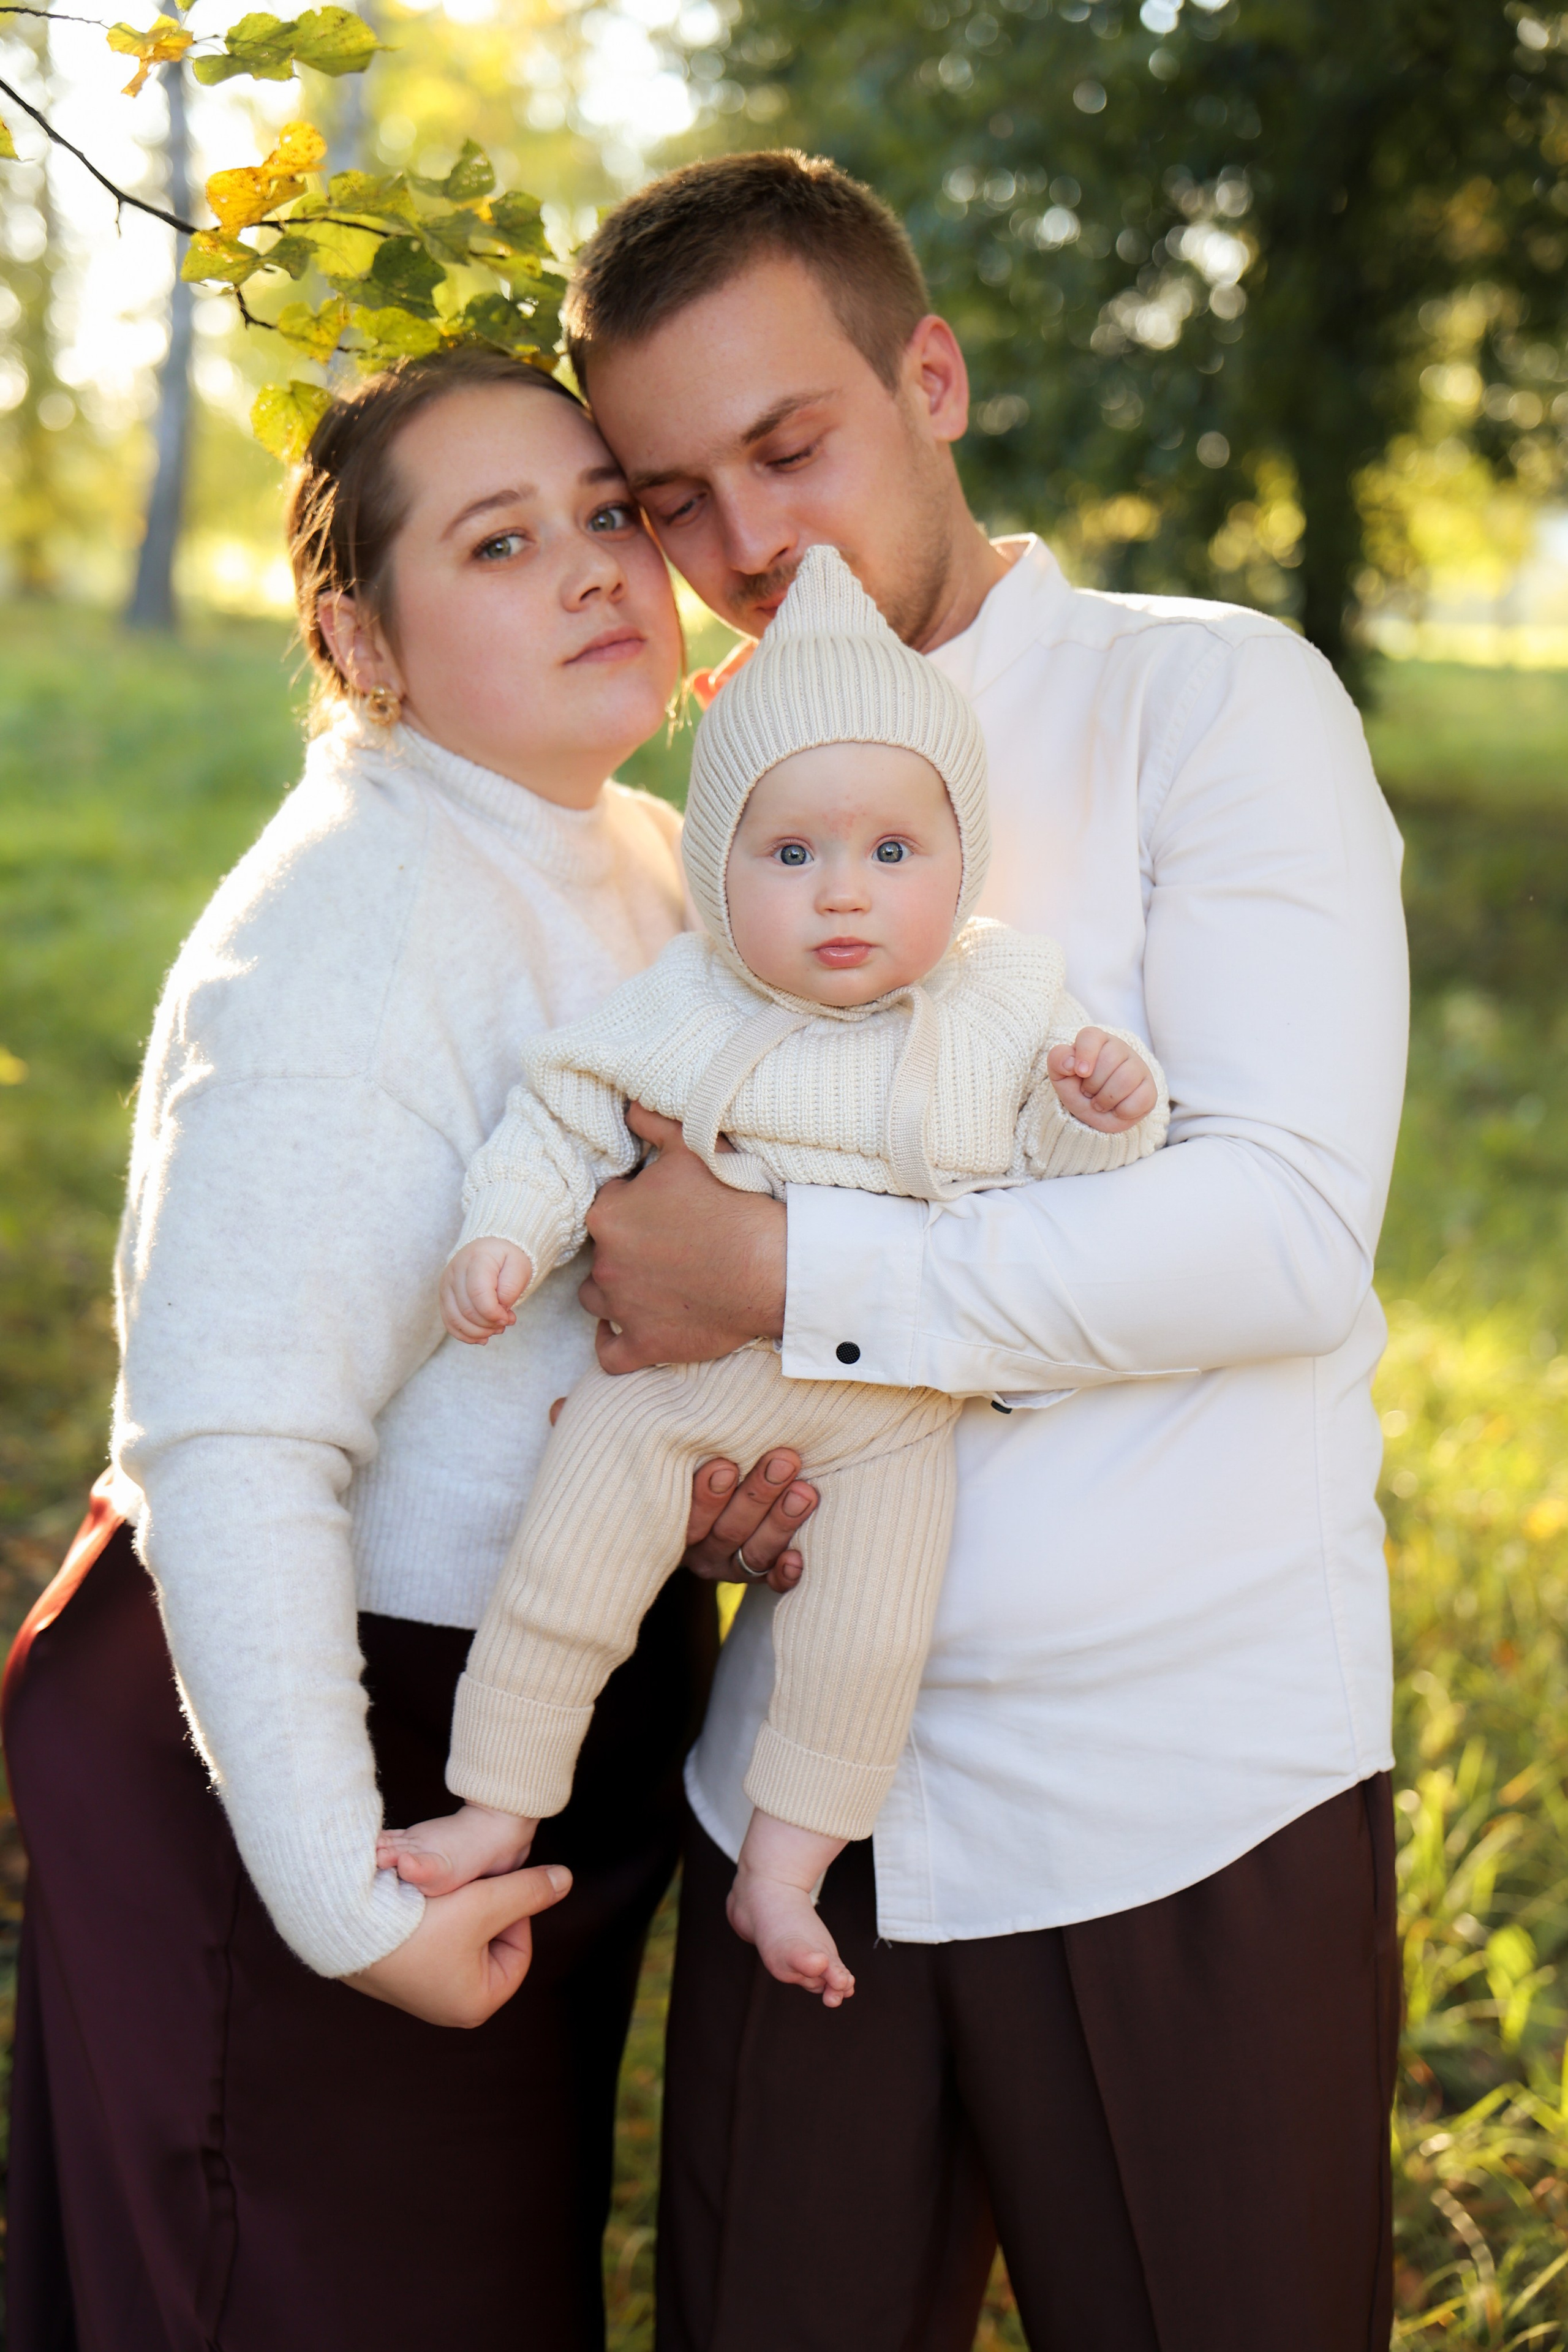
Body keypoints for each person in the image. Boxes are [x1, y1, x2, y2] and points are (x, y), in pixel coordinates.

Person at [559, 153, 1410, 2351]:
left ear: (930, 379)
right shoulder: (696, 819)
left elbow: (1281, 1233)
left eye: (791, 447)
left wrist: (785, 1275)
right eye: (674, 498)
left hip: (1178, 1800)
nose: (746, 543)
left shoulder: (1206, 703)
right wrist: (705, 1458)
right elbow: (634, 1251)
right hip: (800, 1808)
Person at [2, 345, 817, 2352]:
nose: (595, 568)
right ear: (358, 640)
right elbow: (235, 1448)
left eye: (607, 513)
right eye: (498, 542)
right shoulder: (353, 932)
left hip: (518, 1708)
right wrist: (339, 1903)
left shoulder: (634, 856)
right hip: (316, 1742)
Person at [375, 545, 1164, 2008]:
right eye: (789, 855)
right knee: (562, 1577)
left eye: (891, 852)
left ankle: (785, 1867)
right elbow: (561, 1117)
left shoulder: (1003, 1001)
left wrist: (1097, 1109)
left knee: (870, 1638)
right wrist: (507, 1235)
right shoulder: (687, 1000)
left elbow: (1059, 1185)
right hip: (678, 1384)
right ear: (716, 869)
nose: (841, 894)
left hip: (889, 1418)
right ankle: (494, 1803)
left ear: (963, 857)